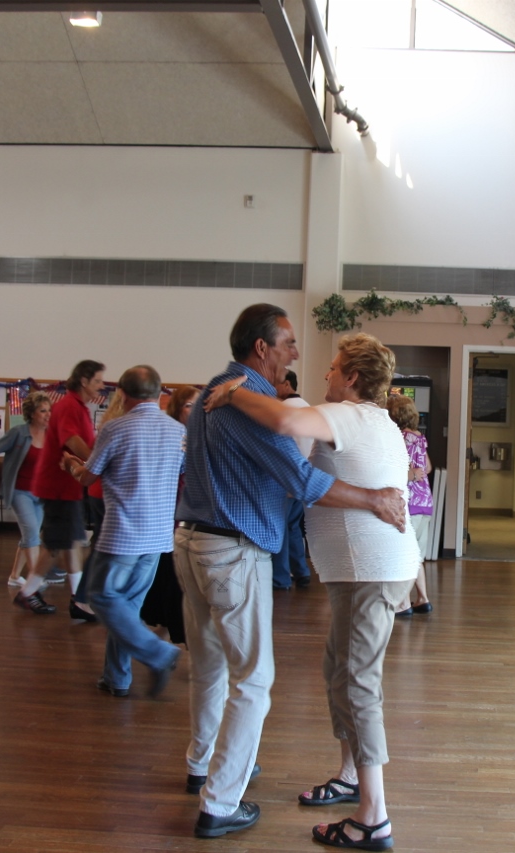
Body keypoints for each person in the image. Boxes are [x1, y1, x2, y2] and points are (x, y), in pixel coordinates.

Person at [173, 304, 406, 840]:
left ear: (350, 376)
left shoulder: (214, 389)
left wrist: (237, 392)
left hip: (193, 541)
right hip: (233, 550)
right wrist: (373, 499)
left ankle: (204, 766)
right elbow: (299, 475)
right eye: (291, 344)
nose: (302, 357)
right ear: (263, 349)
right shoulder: (247, 400)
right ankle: (219, 802)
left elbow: (289, 431)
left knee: (217, 668)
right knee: (256, 680)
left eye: (329, 362)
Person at [64, 366, 185, 698]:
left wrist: (71, 464)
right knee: (128, 608)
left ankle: (159, 654)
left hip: (123, 534)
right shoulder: (177, 431)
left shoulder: (115, 428)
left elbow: (89, 478)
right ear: (160, 393)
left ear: (122, 394)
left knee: (102, 597)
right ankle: (117, 678)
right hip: (159, 536)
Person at [20, 360, 104, 616]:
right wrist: (97, 460)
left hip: (69, 484)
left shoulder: (79, 407)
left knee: (71, 541)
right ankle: (28, 592)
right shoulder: (69, 406)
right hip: (58, 484)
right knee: (56, 543)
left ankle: (79, 598)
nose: (101, 385)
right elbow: (71, 439)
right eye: (98, 381)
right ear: (84, 381)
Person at [138, 386, 199, 644]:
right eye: (188, 405)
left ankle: (166, 631)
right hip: (168, 512)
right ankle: (175, 635)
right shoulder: (174, 434)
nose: (194, 410)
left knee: (174, 578)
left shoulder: (196, 434)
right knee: (170, 578)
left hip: (187, 513)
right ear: (177, 408)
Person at [0, 391, 52, 587]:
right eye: (43, 411)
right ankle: (35, 580)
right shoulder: (19, 433)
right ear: (32, 413)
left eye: (49, 410)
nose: (48, 414)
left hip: (41, 494)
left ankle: (14, 576)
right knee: (32, 534)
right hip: (20, 491)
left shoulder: (51, 435)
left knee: (31, 534)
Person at [386, 394, 433, 616]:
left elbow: (396, 471)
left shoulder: (398, 438)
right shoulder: (420, 438)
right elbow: (428, 468)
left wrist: (409, 475)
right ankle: (422, 598)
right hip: (425, 502)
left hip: (409, 501)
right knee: (416, 554)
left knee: (403, 553)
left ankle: (403, 602)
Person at [271, 370, 311, 591]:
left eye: (276, 383)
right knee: (293, 527)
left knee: (281, 528)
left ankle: (281, 577)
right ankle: (302, 572)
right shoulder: (310, 408)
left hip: (285, 480)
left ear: (286, 385)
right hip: (306, 479)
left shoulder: (282, 410)